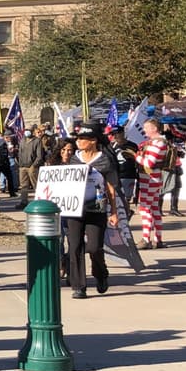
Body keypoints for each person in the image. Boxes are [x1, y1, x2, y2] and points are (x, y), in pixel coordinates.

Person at [64, 123, 120, 300]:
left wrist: (114, 212)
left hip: (96, 209)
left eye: (82, 139)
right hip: (74, 209)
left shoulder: (105, 159)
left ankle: (100, 272)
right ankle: (78, 286)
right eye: (78, 139)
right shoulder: (74, 158)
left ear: (93, 141)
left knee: (94, 247)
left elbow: (111, 188)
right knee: (74, 247)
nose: (78, 142)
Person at [135, 118, 168, 249]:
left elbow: (149, 163)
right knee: (154, 208)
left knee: (145, 208)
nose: (144, 130)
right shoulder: (157, 142)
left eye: (147, 128)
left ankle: (145, 238)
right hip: (153, 178)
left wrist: (135, 157)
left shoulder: (157, 143)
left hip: (150, 178)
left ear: (154, 128)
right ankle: (157, 239)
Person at [108, 128, 138, 212]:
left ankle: (127, 214)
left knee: (127, 199)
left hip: (129, 175)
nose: (116, 136)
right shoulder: (111, 146)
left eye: (118, 133)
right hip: (116, 176)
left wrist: (132, 157)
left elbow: (138, 159)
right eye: (114, 134)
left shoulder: (132, 145)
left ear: (123, 133)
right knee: (117, 198)